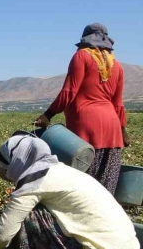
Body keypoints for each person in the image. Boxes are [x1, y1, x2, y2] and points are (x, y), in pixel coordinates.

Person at [0, 135, 139, 249]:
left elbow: (1, 237)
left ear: (16, 164)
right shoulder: (61, 170)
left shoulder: (35, 182)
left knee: (29, 216)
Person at [34, 23, 128, 194]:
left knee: (81, 184)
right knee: (105, 188)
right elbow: (118, 103)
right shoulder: (117, 66)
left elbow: (69, 91)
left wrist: (48, 114)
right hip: (112, 128)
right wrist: (122, 129)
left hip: (85, 125)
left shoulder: (81, 57)